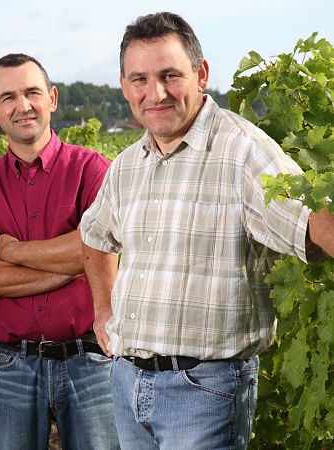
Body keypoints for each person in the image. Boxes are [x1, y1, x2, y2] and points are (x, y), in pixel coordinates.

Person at [80, 12, 334, 450]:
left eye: (169, 75)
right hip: (126, 382)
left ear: (201, 75)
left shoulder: (242, 151)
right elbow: (95, 236)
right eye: (139, 79)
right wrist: (103, 311)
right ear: (124, 87)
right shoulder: (127, 165)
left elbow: (312, 225)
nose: (154, 93)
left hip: (204, 390)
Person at [0, 53, 120, 450]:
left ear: (52, 98)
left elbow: (101, 249)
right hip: (10, 365)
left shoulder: (94, 171)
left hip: (91, 361)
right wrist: (72, 265)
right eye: (8, 97)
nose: (22, 105)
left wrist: (12, 252)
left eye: (32, 92)